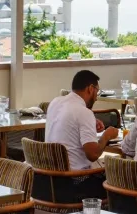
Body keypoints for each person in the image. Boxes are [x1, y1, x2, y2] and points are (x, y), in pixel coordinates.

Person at [45, 69, 119, 197]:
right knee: (118, 176)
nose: (96, 97)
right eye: (97, 91)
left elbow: (69, 123)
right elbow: (93, 154)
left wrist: (90, 122)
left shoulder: (55, 102)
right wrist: (107, 135)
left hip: (48, 180)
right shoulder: (84, 112)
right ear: (90, 88)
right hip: (75, 183)